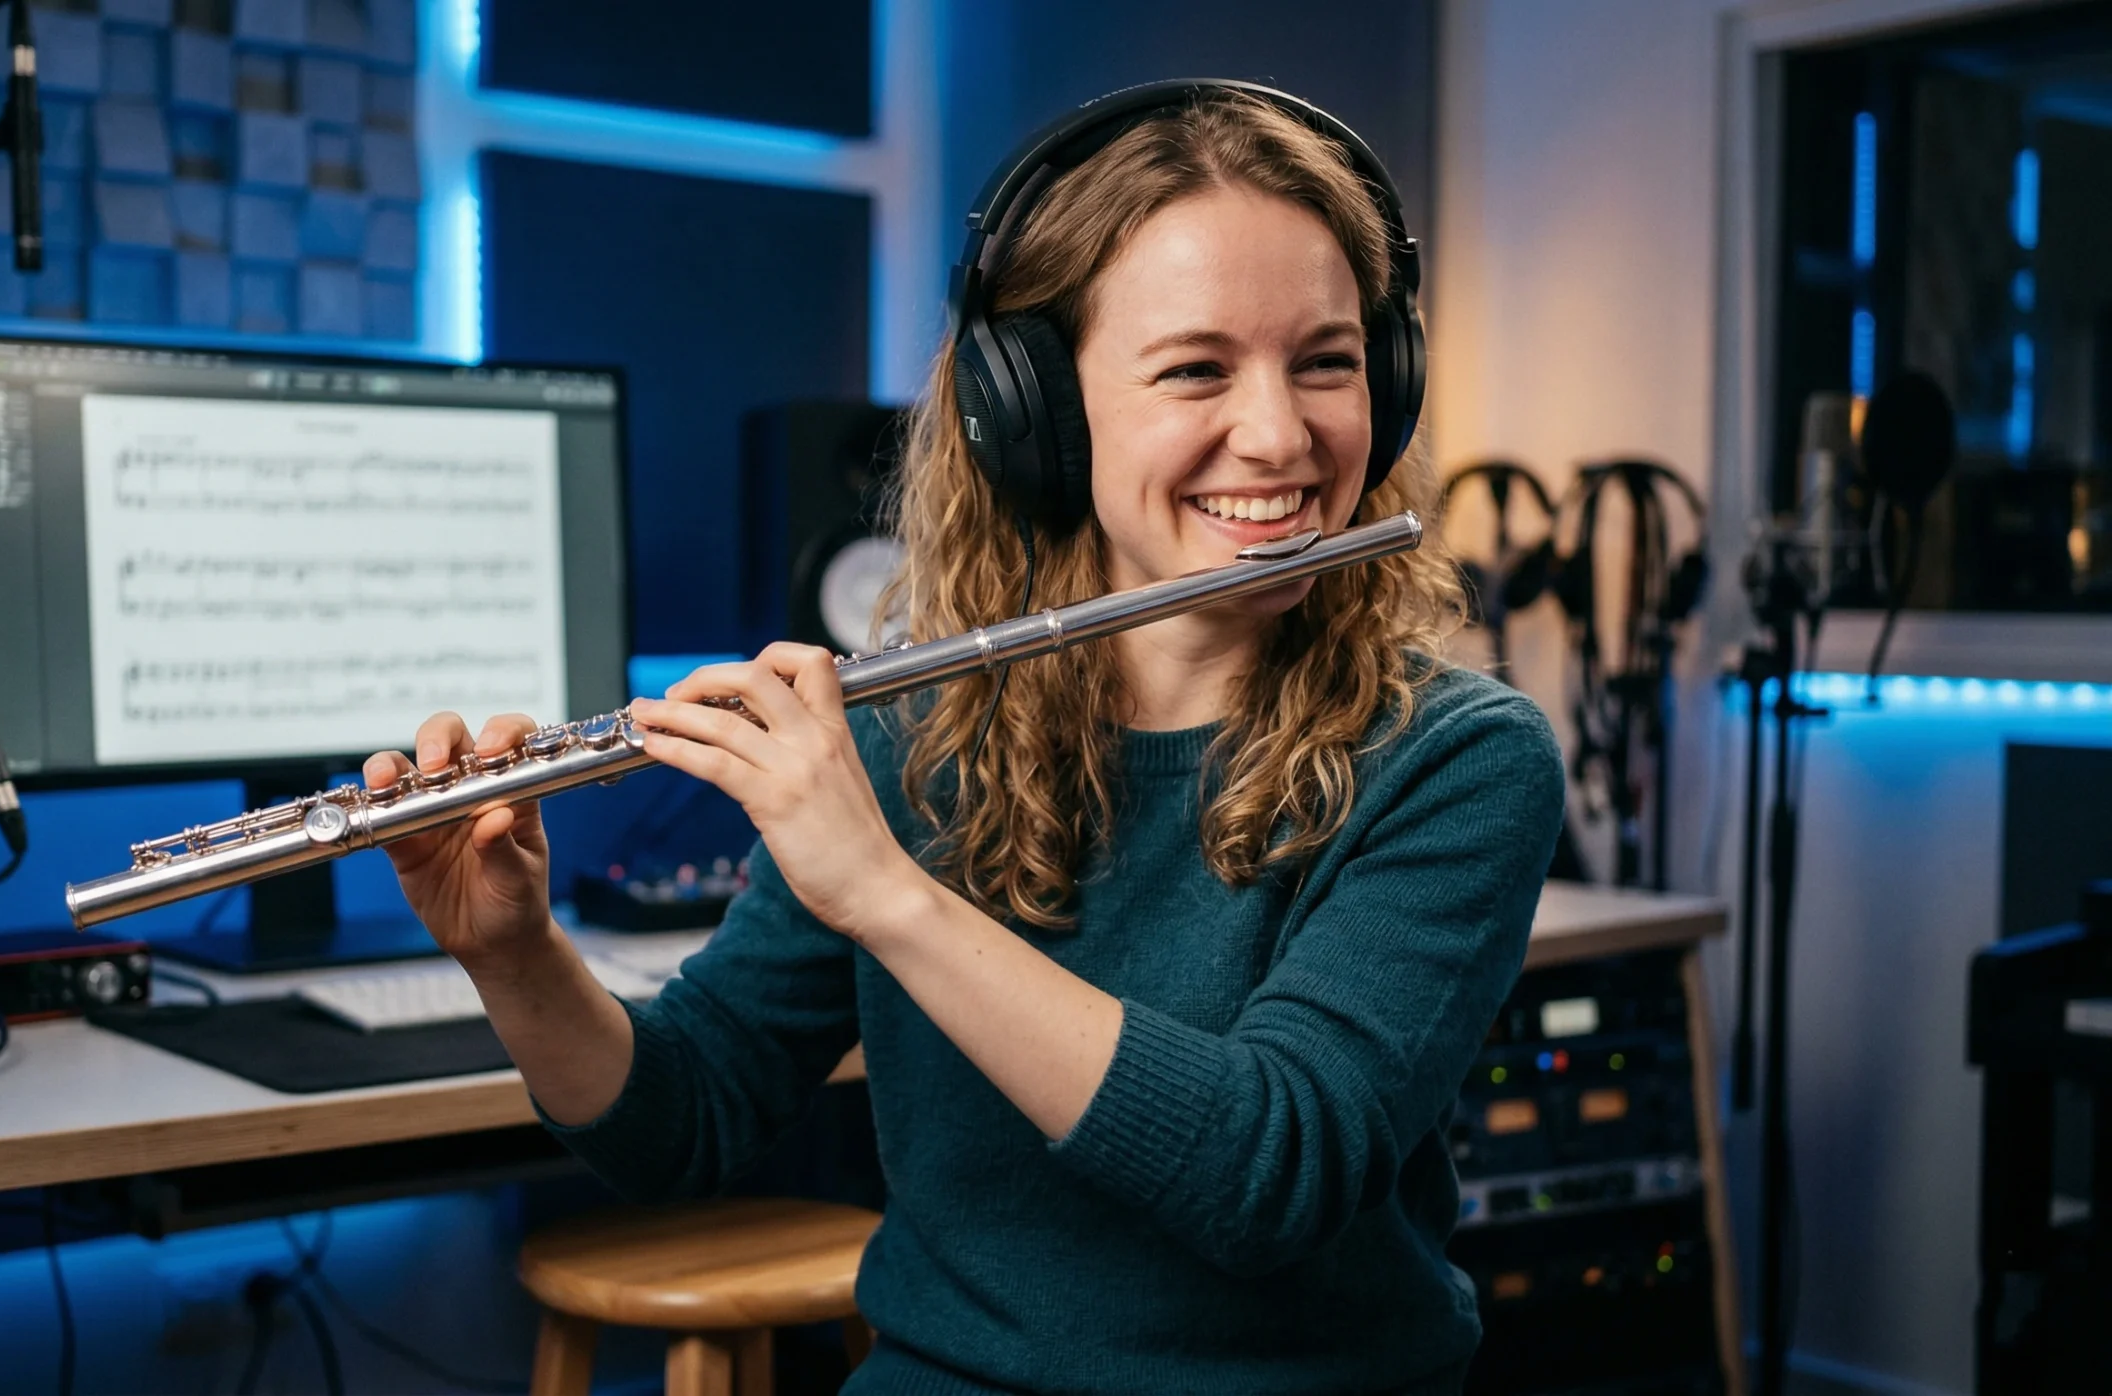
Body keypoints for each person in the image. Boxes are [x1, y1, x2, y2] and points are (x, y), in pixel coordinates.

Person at [368, 82, 1564, 1395]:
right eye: (1197, 369)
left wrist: (884, 893)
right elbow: (682, 1123)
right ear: (1036, 409)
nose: (1280, 434)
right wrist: (515, 954)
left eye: (1327, 361)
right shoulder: (913, 740)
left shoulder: (1460, 758)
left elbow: (1267, 1173)